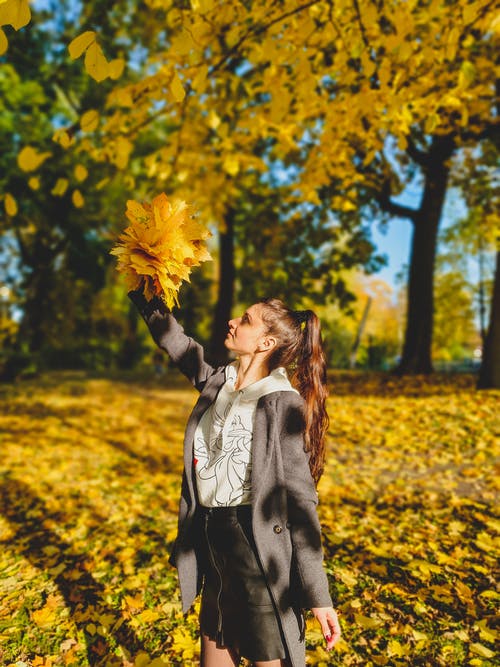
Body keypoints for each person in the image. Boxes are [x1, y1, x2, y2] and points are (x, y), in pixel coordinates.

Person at [129, 289, 341, 667]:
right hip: (212, 542)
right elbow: (177, 343)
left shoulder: (281, 402)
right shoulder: (217, 383)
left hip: (255, 549)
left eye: (245, 320)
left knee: (268, 655)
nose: (233, 321)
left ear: (266, 342)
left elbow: (301, 502)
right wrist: (149, 298)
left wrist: (318, 594)